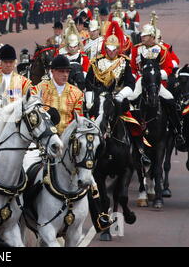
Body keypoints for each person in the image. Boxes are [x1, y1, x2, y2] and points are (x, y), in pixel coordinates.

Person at [34, 54, 113, 233]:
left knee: (90, 177)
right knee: (28, 170)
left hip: (68, 144)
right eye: (61, 71)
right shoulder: (40, 89)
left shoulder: (76, 93)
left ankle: (100, 217)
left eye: (67, 71)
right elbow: (35, 115)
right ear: (52, 71)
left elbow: (76, 120)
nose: (65, 74)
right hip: (44, 142)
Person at [85, 21, 151, 166]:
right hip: (100, 99)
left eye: (114, 49)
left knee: (135, 120)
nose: (111, 51)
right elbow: (89, 83)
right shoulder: (96, 62)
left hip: (118, 99)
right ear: (105, 48)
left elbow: (130, 83)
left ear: (118, 48)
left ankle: (140, 152)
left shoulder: (124, 62)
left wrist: (121, 95)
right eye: (109, 48)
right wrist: (90, 100)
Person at [129, 24, 186, 151]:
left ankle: (178, 131)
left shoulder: (161, 50)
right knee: (131, 97)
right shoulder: (136, 49)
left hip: (156, 81)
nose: (142, 38)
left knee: (170, 99)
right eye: (142, 36)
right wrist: (133, 77)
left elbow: (168, 68)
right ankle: (128, 128)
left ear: (152, 37)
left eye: (145, 36)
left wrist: (157, 76)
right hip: (140, 80)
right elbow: (133, 67)